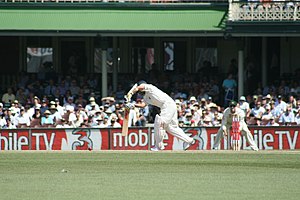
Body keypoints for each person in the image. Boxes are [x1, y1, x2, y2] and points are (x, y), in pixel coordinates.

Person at [124, 80, 195, 151]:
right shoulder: (146, 97)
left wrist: (130, 93)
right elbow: (143, 105)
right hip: (169, 105)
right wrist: (133, 105)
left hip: (167, 105)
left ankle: (159, 146)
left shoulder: (149, 87)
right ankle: (189, 140)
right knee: (171, 128)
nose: (139, 93)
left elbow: (139, 87)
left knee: (159, 122)